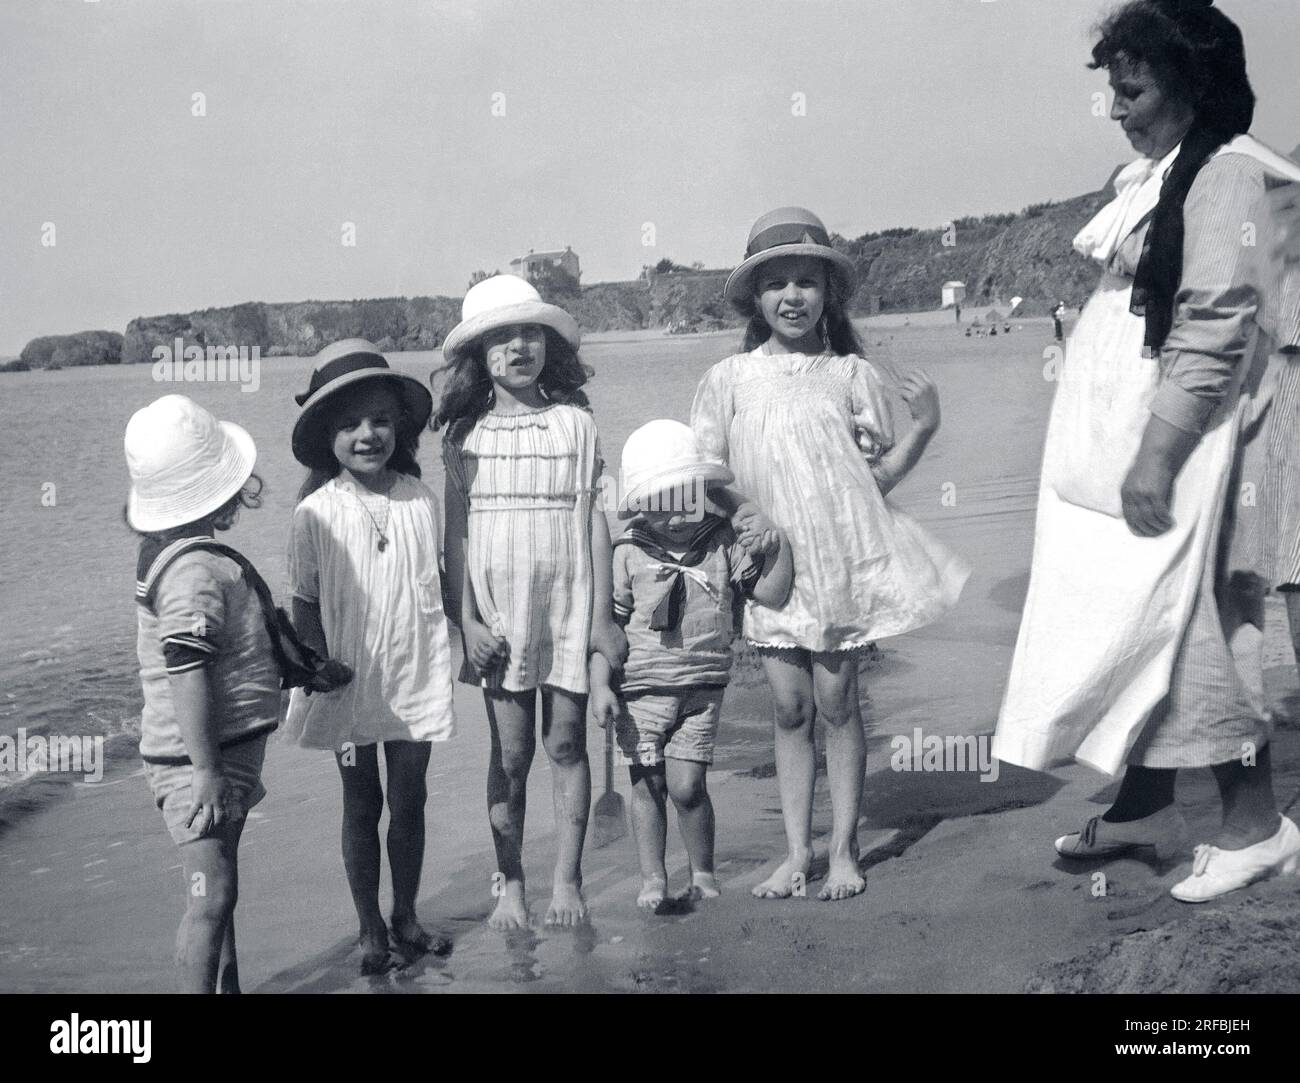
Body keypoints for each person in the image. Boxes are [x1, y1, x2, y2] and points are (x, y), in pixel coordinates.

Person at [995, 0, 1300, 901]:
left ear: (1190, 83)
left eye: (1132, 89)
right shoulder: (1175, 175)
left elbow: (1216, 322)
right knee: (1143, 611)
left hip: (1229, 436)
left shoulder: (1236, 178)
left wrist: (1158, 455)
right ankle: (1143, 805)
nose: (1117, 109)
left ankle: (1256, 826)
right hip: (1192, 429)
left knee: (1201, 615)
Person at [692, 207, 969, 901]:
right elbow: (705, 471)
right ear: (754, 299)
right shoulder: (728, 378)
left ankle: (844, 848)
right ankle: (797, 853)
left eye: (806, 282)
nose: (792, 296)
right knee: (788, 708)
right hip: (769, 564)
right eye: (776, 283)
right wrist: (743, 516)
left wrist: (927, 428)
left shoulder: (849, 375)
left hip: (838, 560)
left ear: (828, 293)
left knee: (838, 699)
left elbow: (872, 479)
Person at [435, 275, 628, 930]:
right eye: (501, 337)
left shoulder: (576, 423)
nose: (518, 346)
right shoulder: (463, 437)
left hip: (570, 604)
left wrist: (602, 617)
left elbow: (597, 517)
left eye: (530, 333)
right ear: (477, 354)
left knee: (567, 743)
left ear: (549, 344)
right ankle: (510, 882)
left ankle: (566, 879)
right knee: (512, 757)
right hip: (499, 617)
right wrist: (465, 620)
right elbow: (454, 540)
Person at [125, 395, 333, 992]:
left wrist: (310, 669)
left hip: (218, 752)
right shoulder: (193, 573)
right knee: (209, 896)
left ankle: (229, 986)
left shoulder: (177, 555)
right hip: (198, 759)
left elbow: (245, 640)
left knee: (220, 883)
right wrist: (207, 770)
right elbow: (185, 672)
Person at [287, 339, 457, 973]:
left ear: (401, 428)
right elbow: (303, 602)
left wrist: (469, 632)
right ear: (328, 437)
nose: (368, 434)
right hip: (347, 682)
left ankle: (406, 915)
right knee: (362, 803)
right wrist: (315, 663)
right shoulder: (314, 514)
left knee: (409, 799)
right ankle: (369, 929)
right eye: (350, 424)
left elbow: (436, 584)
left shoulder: (420, 498)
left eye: (381, 420)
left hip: (413, 672)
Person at [589, 420, 793, 911]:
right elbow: (610, 629)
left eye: (685, 497)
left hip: (703, 688)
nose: (675, 514)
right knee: (648, 785)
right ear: (638, 501)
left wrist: (776, 541)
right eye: (659, 500)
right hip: (639, 690)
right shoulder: (628, 553)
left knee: (689, 786)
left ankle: (703, 872)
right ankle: (653, 877)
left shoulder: (722, 543)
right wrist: (600, 685)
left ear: (704, 491)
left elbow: (771, 592)